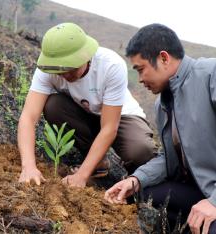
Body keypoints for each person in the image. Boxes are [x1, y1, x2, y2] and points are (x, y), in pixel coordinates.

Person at [104, 23, 216, 234]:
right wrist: (136, 180)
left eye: (141, 69)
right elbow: (169, 159)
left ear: (163, 58)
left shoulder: (212, 74)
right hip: (208, 189)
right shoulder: (163, 103)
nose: (140, 79)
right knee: (146, 195)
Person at [18, 22, 157, 188]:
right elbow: (28, 117)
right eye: (60, 71)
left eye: (71, 68)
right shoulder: (49, 68)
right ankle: (98, 164)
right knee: (53, 105)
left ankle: (134, 180)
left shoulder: (110, 65)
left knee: (140, 150)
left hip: (121, 117)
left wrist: (81, 176)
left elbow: (109, 128)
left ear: (85, 56)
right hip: (85, 114)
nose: (65, 74)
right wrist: (29, 167)